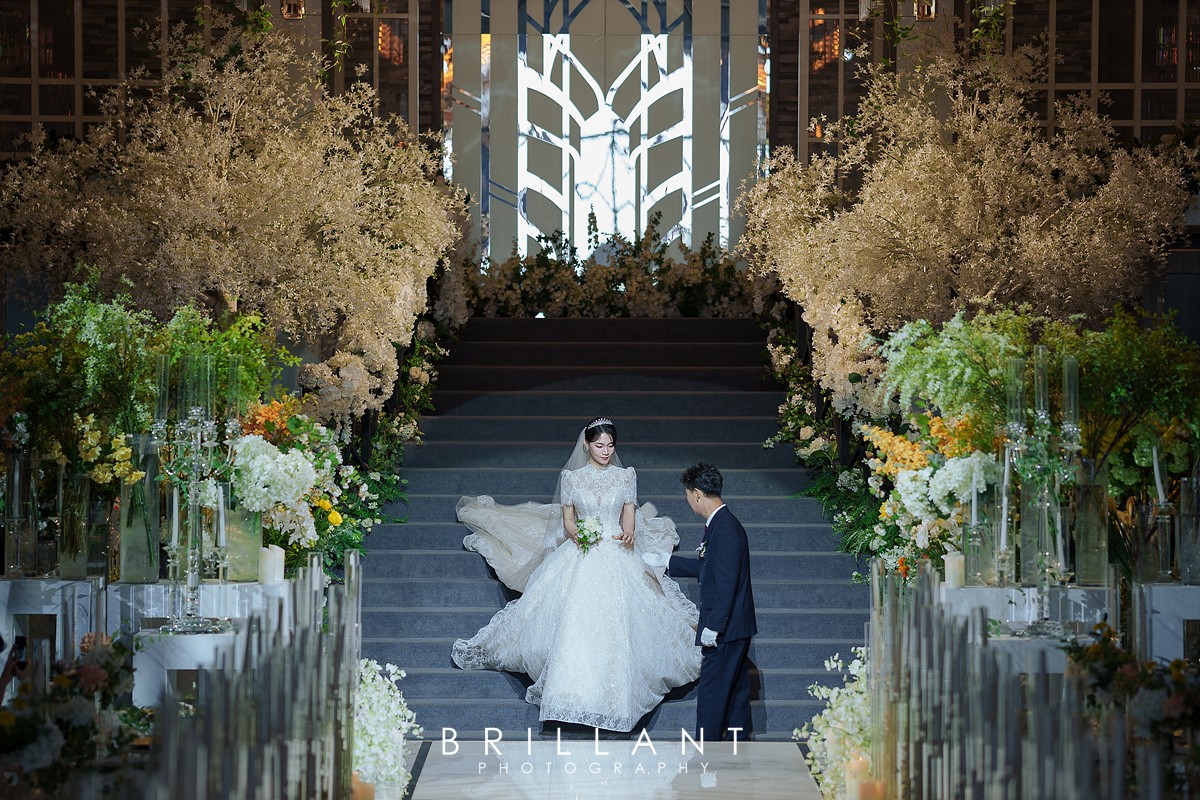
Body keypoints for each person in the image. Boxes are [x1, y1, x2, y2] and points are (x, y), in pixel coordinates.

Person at [451, 418, 702, 732]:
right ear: (587, 444)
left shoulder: (626, 476)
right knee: (572, 614)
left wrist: (628, 533)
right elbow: (568, 519)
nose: (605, 451)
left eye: (610, 445)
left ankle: (620, 694)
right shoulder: (572, 477)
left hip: (616, 549)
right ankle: (567, 693)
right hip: (582, 548)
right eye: (599, 445)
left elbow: (628, 514)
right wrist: (577, 533)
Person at [645, 463, 756, 741]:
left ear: (696, 494)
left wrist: (714, 626)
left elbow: (727, 583)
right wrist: (666, 561)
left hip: (726, 630)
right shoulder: (721, 523)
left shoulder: (725, 529)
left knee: (711, 696)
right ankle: (737, 750)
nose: (688, 501)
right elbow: (708, 567)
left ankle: (706, 755)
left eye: (687, 495)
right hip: (735, 628)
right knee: (735, 695)